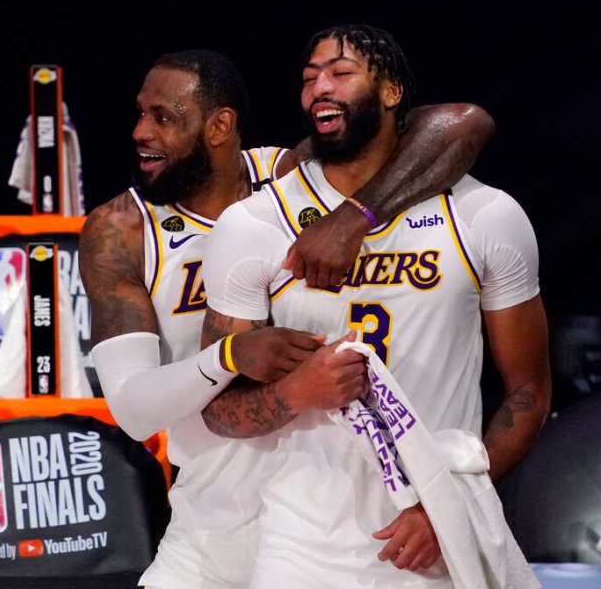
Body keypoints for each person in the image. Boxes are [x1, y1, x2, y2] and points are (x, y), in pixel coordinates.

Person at [80, 48, 493, 588]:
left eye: (163, 118)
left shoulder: (287, 178)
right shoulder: (121, 229)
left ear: (219, 126)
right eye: (140, 114)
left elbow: (465, 123)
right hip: (214, 513)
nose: (140, 132)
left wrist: (354, 216)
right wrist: (229, 355)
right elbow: (132, 411)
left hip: (326, 509)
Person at [200, 24, 551, 587]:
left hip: (434, 536)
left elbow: (529, 392)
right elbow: (217, 408)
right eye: (309, 78)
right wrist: (296, 390)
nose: (319, 88)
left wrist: (448, 503)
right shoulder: (253, 224)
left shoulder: (486, 214)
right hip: (300, 544)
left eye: (340, 73)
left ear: (390, 92)